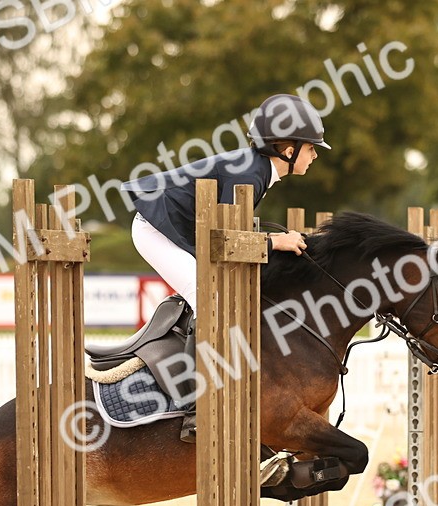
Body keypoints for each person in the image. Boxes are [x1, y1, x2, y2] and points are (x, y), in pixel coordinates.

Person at [120, 93, 331, 441]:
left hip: (177, 229)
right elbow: (226, 243)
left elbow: (230, 234)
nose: (315, 154)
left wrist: (274, 239)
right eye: (311, 147)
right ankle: (195, 408)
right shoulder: (250, 173)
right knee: (209, 300)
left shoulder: (257, 170)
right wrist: (277, 241)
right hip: (153, 229)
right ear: (287, 149)